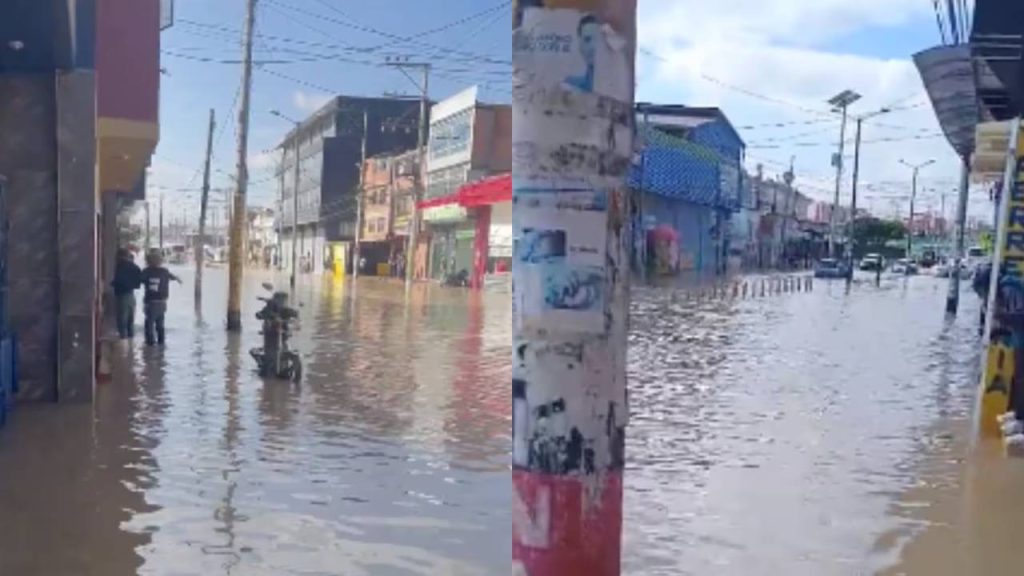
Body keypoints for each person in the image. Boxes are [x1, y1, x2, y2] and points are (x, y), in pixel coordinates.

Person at [141, 249, 182, 346]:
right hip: (162, 302)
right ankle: (161, 342)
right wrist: (178, 279)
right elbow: (174, 277)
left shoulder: (146, 271)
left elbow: (139, 280)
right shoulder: (164, 271)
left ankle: (150, 344)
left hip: (151, 301)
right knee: (160, 323)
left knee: (149, 323)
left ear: (148, 262)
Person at [111, 248, 142, 339]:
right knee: (130, 318)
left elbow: (118, 280)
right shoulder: (135, 267)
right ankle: (131, 337)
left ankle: (123, 338)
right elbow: (138, 283)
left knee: (122, 318)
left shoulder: (120, 266)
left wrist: (112, 283)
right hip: (131, 295)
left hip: (121, 295)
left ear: (119, 256)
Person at [564, 14, 599, 93]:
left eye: (599, 41)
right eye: (587, 40)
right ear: (580, 45)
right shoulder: (570, 86)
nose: (593, 47)